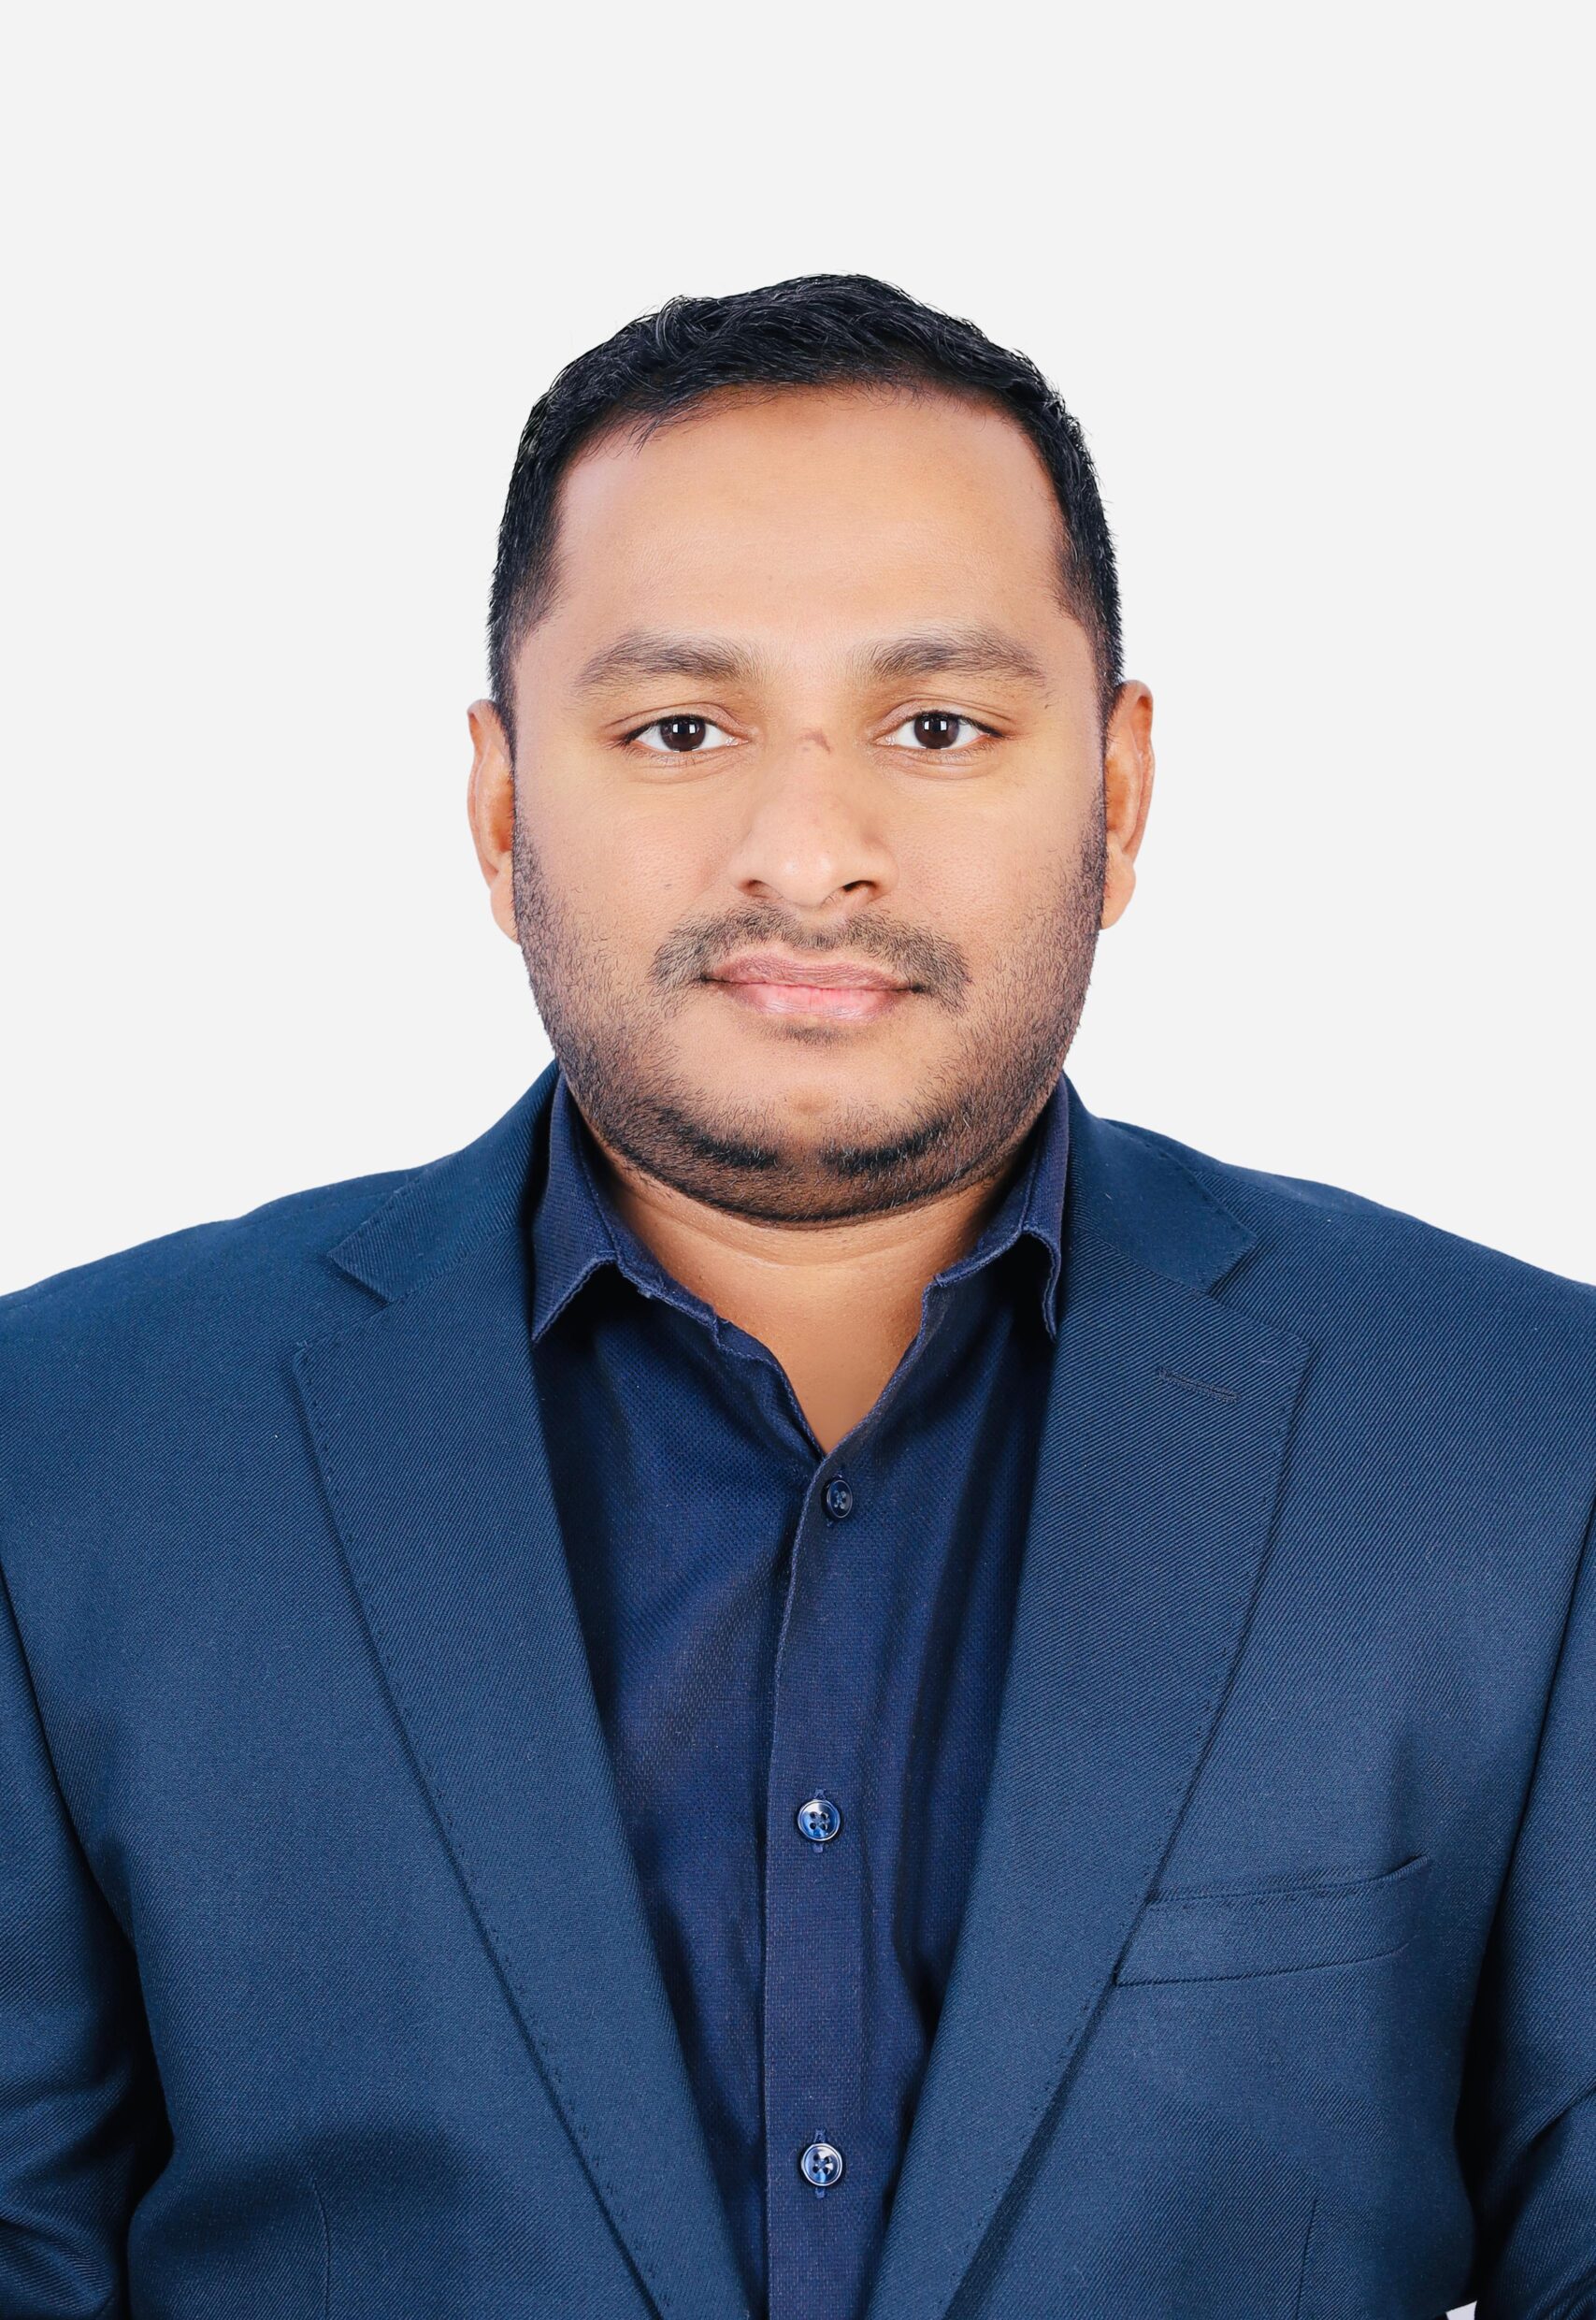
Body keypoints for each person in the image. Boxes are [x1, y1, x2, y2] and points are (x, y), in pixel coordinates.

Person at [1, 273, 1591, 2320]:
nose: (810, 851)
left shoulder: (1520, 1443)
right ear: (502, 802)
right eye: (681, 728)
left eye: (937, 726)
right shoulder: (68, 1453)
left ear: (1117, 795)